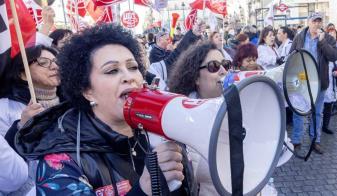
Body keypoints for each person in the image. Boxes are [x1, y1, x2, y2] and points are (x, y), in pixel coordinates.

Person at [15, 24, 197, 195]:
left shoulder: (153, 131)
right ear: (87, 91)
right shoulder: (60, 158)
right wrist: (144, 189)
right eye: (112, 71)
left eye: (133, 67)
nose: (128, 77)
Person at [168, 41, 228, 195]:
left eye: (225, 64)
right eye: (214, 66)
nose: (223, 71)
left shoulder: (241, 103)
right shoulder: (180, 118)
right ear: (196, 78)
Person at [0, 45, 60, 195]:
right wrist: (21, 127)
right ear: (23, 73)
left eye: (56, 61)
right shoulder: (5, 108)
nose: (54, 67)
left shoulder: (70, 104)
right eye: (44, 62)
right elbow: (6, 168)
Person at [289, 12, 337, 154]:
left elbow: (334, 56)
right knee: (298, 111)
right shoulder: (299, 37)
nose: (317, 24)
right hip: (302, 80)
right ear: (308, 22)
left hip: (319, 81)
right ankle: (296, 141)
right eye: (314, 21)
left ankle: (315, 140)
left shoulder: (328, 38)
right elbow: (292, 56)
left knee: (317, 112)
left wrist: (322, 42)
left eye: (319, 21)